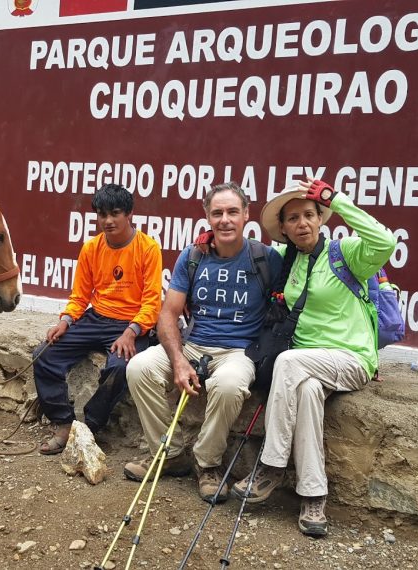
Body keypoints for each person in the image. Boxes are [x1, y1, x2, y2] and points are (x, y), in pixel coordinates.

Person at [230, 178, 396, 538]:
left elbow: (385, 241)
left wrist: (336, 200)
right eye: (293, 219)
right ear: (285, 229)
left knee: (288, 363)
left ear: (321, 219)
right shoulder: (292, 263)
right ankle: (313, 497)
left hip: (351, 359)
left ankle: (270, 466)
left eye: (309, 215)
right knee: (304, 392)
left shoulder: (346, 252)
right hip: (309, 366)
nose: (302, 223)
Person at [124, 182, 282, 502]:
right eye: (217, 213)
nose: (225, 220)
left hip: (238, 350)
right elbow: (167, 314)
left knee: (228, 385)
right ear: (207, 217)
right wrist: (179, 360)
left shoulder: (266, 259)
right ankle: (169, 454)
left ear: (246, 216)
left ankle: (207, 463)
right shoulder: (194, 255)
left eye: (233, 212)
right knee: (139, 368)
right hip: (193, 344)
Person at [34, 183, 162, 454]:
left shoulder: (148, 248)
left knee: (119, 369)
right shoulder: (91, 248)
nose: (108, 220)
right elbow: (80, 296)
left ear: (129, 215)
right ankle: (64, 423)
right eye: (102, 214)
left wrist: (132, 332)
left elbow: (152, 302)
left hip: (131, 324)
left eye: (115, 213)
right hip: (97, 318)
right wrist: (65, 321)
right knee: (44, 353)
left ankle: (89, 428)